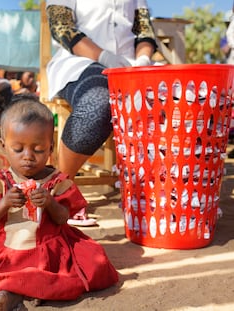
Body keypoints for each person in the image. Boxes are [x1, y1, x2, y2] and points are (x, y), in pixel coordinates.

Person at [0, 95, 118, 311]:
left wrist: (50, 203)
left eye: (38, 150)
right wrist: (4, 203)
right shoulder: (0, 181)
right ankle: (29, 289)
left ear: (50, 147)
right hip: (5, 249)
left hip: (48, 250)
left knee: (95, 259)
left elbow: (64, 217)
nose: (28, 157)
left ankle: (13, 291)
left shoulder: (57, 181)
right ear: (3, 144)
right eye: (18, 149)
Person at [46, 0, 157, 225]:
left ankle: (156, 191)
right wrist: (105, 57)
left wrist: (142, 60)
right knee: (98, 103)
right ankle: (62, 188)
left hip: (130, 63)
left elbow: (144, 31)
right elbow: (62, 28)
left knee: (179, 99)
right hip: (81, 62)